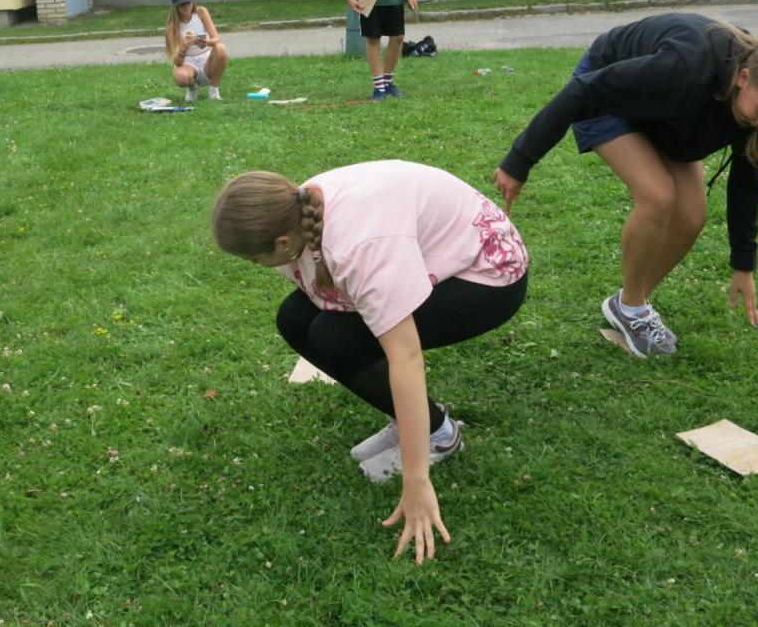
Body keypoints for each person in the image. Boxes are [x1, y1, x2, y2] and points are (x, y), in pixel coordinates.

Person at [211, 160, 529, 564]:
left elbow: (406, 356)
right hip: (434, 253)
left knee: (334, 337)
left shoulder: (357, 247)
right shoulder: (298, 213)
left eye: (254, 260)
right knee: (294, 320)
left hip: (488, 274)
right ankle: (413, 423)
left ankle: (440, 436)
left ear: (281, 245)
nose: (256, 268)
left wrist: (416, 482)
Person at [493, 13, 758, 358]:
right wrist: (520, 160)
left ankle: (630, 307)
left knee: (691, 216)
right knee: (658, 195)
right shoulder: (683, 68)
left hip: (667, 112)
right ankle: (632, 307)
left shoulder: (752, 108)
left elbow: (745, 184)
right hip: (606, 97)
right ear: (744, 77)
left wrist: (743, 264)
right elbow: (583, 91)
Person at [164, 0, 228, 102]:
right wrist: (184, 47)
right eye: (182, 4)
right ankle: (192, 88)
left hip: (206, 59)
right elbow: (177, 62)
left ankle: (213, 91)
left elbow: (216, 39)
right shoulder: (172, 27)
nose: (187, 6)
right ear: (176, 6)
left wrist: (203, 41)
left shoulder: (201, 12)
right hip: (187, 63)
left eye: (189, 2)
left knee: (221, 48)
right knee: (180, 77)